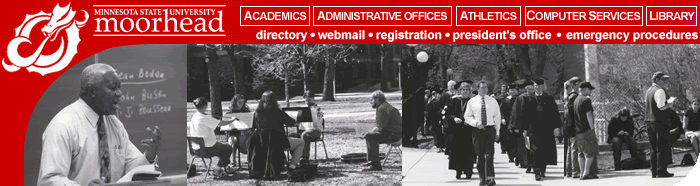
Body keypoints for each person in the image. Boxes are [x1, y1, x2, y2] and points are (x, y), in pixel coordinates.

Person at [38, 63, 162, 186]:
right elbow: (49, 181)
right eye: (113, 88)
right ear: (91, 91)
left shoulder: (114, 124)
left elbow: (130, 168)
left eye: (120, 87)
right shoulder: (63, 126)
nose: (119, 94)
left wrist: (149, 156)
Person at [247, 91, 298, 179]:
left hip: (261, 144)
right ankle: (293, 164)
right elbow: (291, 122)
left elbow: (254, 126)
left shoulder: (257, 114)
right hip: (277, 142)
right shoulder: (278, 112)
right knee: (300, 142)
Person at [465, 80, 501, 186]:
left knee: (489, 155)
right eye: (482, 87)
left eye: (486, 87)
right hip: (478, 131)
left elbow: (497, 117)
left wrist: (497, 131)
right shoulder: (472, 102)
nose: (484, 89)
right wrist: (476, 123)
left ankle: (491, 178)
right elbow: (467, 117)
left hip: (490, 130)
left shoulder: (493, 101)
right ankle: (482, 178)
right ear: (477, 88)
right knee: (480, 156)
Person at [191, 97, 237, 177]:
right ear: (205, 106)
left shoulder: (194, 116)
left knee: (222, 147)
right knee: (228, 148)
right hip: (206, 149)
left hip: (195, 149)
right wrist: (232, 120)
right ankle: (217, 169)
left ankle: (226, 167)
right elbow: (220, 124)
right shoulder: (204, 117)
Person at [527, 78, 562, 181]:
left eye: (539, 86)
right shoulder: (529, 98)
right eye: (535, 86)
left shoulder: (549, 98)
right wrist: (524, 129)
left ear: (543, 86)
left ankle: (542, 169)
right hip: (533, 129)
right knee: (535, 150)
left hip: (546, 129)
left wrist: (556, 128)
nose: (537, 87)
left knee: (545, 149)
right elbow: (525, 114)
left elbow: (555, 113)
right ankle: (537, 171)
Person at [644, 72, 675, 178]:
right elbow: (661, 107)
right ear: (656, 80)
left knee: (653, 147)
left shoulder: (649, 90)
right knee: (662, 146)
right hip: (659, 122)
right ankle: (661, 170)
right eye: (662, 79)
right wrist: (669, 104)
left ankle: (654, 170)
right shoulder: (659, 91)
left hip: (649, 121)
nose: (664, 82)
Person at [444, 81, 476, 179]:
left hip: (468, 131)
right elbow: (447, 114)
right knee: (457, 152)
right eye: (463, 90)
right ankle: (458, 171)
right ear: (460, 91)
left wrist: (470, 121)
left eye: (467, 90)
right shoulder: (453, 101)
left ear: (469, 91)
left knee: (468, 152)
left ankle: (468, 170)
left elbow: (476, 114)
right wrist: (454, 118)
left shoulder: (473, 102)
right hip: (456, 130)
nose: (465, 92)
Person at [363, 90, 402, 171]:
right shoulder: (385, 106)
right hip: (396, 133)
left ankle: (375, 165)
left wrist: (368, 133)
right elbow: (381, 127)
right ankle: (373, 161)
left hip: (395, 135)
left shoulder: (382, 108)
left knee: (370, 136)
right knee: (371, 136)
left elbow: (379, 128)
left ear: (377, 99)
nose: (371, 102)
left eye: (371, 100)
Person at [573, 81, 600, 180]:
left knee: (581, 152)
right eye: (589, 89)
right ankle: (586, 173)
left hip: (578, 130)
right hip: (586, 129)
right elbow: (588, 114)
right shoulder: (586, 100)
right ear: (583, 89)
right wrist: (592, 128)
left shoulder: (576, 100)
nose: (591, 91)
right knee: (591, 151)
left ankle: (581, 173)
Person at [510, 80, 535, 171]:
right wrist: (515, 126)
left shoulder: (536, 98)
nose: (529, 91)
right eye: (528, 89)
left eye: (531, 89)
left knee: (533, 146)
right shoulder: (520, 98)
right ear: (525, 89)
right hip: (522, 126)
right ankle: (524, 163)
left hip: (533, 126)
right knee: (522, 146)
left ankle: (533, 164)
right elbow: (515, 113)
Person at [225, 94, 252, 166]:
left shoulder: (246, 111)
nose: (241, 104)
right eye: (239, 102)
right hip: (234, 133)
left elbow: (251, 124)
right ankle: (233, 162)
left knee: (253, 139)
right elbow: (226, 127)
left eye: (243, 102)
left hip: (246, 134)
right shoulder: (229, 113)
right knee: (233, 140)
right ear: (235, 102)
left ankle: (251, 160)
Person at [564, 77, 583, 178]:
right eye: (579, 83)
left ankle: (569, 171)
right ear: (575, 84)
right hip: (573, 125)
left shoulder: (570, 96)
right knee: (574, 148)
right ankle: (574, 171)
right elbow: (574, 113)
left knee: (571, 148)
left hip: (569, 125)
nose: (581, 85)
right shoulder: (574, 97)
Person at [299, 90, 324, 164]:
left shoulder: (317, 108)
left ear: (313, 98)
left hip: (315, 131)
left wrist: (311, 114)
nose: (307, 102)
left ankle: (305, 157)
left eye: (309, 100)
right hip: (304, 130)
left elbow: (319, 121)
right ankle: (296, 158)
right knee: (292, 136)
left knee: (304, 135)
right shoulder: (303, 108)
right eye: (306, 100)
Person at [500, 83, 519, 163]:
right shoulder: (505, 100)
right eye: (510, 90)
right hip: (507, 123)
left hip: (517, 122)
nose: (512, 91)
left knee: (517, 140)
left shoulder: (519, 99)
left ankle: (517, 156)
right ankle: (510, 156)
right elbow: (501, 111)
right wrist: (502, 118)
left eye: (513, 90)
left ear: (516, 91)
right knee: (508, 139)